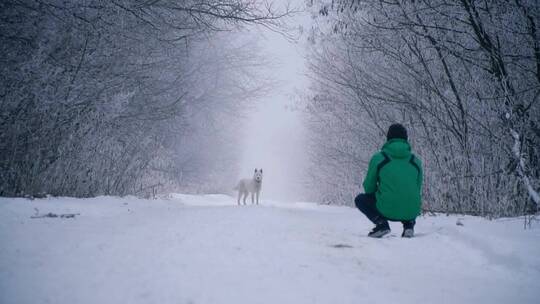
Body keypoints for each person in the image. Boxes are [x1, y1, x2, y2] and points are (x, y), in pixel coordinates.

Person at [355, 123, 423, 238]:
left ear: (388, 138)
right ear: (406, 139)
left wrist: (380, 194)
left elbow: (369, 186)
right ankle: (409, 226)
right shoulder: (415, 161)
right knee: (410, 196)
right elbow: (417, 186)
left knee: (360, 199)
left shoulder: (379, 158)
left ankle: (381, 224)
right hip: (412, 210)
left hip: (385, 208)